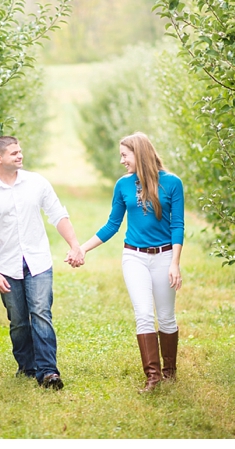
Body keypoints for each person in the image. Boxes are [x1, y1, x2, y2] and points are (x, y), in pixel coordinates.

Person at [68, 132, 184, 393]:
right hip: (134, 256)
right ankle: (153, 377)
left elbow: (177, 225)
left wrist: (175, 263)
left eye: (124, 155)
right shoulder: (122, 185)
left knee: (166, 317)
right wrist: (82, 248)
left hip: (165, 255)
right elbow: (112, 225)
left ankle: (170, 372)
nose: (121, 160)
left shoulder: (173, 183)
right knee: (143, 314)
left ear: (139, 153)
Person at [0, 136, 84, 390]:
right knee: (19, 321)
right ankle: (26, 367)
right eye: (14, 153)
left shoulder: (37, 183)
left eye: (20, 151)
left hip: (38, 261)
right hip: (6, 266)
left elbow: (58, 214)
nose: (20, 156)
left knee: (41, 313)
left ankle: (48, 372)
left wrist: (74, 245)